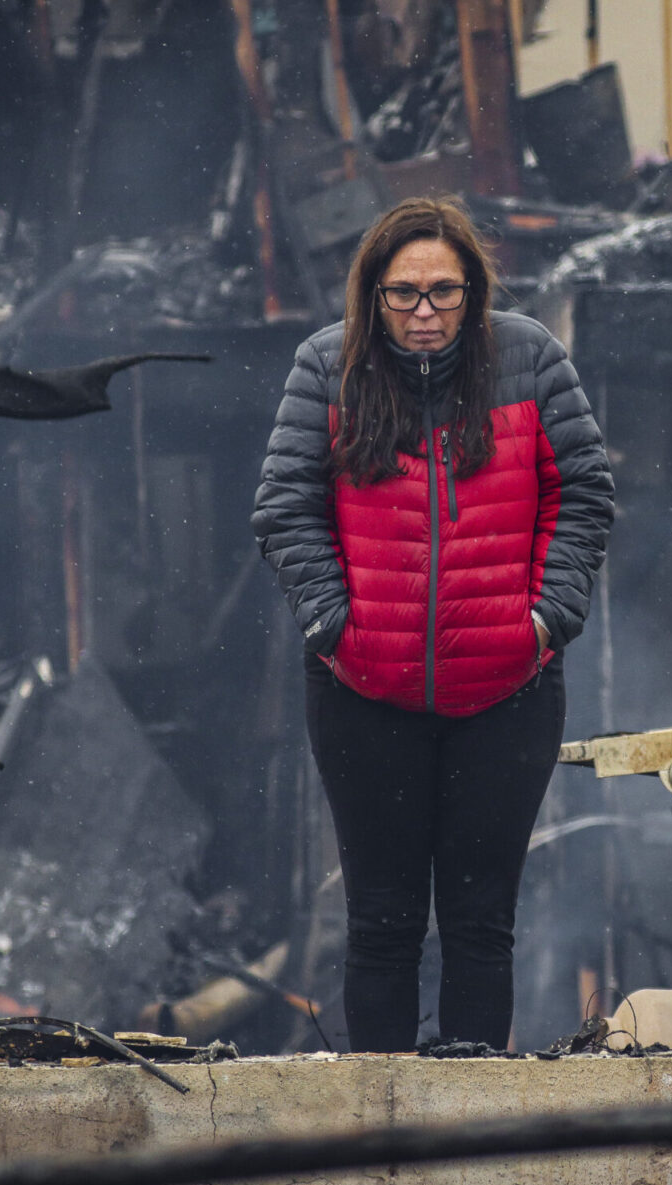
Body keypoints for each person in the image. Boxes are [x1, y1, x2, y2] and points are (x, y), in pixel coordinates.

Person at [251, 197, 614, 1051]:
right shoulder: (325, 367)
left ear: (474, 293)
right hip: (361, 689)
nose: (424, 314)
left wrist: (545, 620)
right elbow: (284, 507)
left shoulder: (530, 359)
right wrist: (336, 626)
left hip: (508, 687)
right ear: (372, 295)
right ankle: (382, 1138)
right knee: (381, 921)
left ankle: (470, 1141)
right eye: (403, 294)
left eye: (444, 294)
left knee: (481, 923)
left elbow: (584, 493)